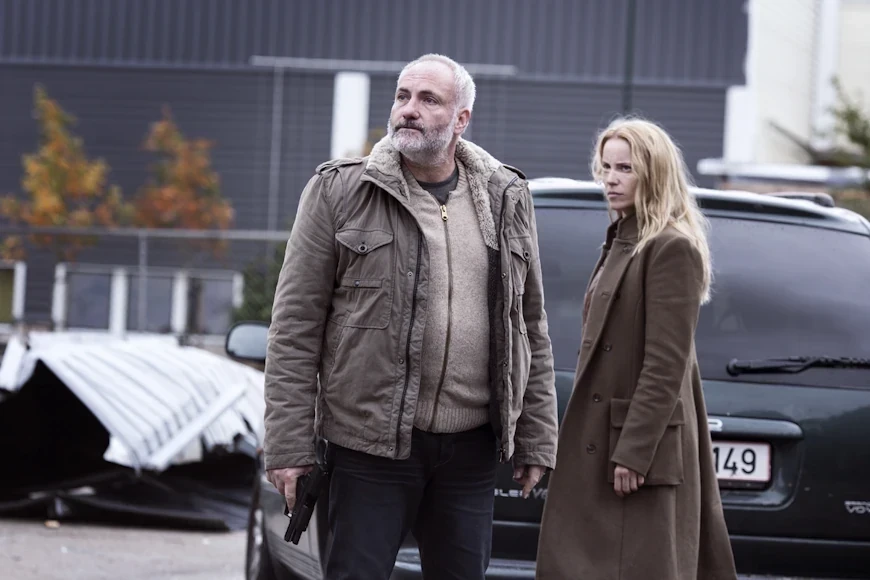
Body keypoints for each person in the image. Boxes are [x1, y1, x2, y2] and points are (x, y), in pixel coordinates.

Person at [263, 53, 559, 580]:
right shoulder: (340, 191)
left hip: (470, 451)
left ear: (461, 119)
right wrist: (289, 444)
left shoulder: (505, 196)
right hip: (369, 448)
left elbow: (528, 324)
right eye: (402, 96)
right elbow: (294, 328)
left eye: (428, 99)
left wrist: (535, 437)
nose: (408, 109)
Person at [535, 117, 738, 580]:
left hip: (632, 453)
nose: (610, 179)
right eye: (605, 167)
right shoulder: (623, 239)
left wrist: (634, 450)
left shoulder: (670, 248)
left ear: (653, 173)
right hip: (602, 441)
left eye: (624, 168)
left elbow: (666, 363)